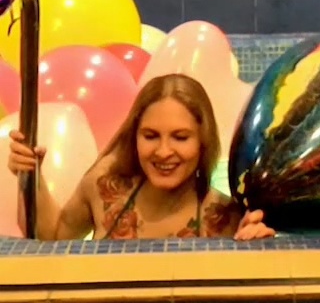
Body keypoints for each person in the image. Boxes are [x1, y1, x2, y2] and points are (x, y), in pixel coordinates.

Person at [7, 73, 275, 241]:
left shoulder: (225, 218)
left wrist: (256, 247)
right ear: (135, 137)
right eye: (150, 136)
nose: (163, 151)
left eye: (180, 137)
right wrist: (30, 176)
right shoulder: (106, 187)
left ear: (203, 143)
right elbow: (52, 237)